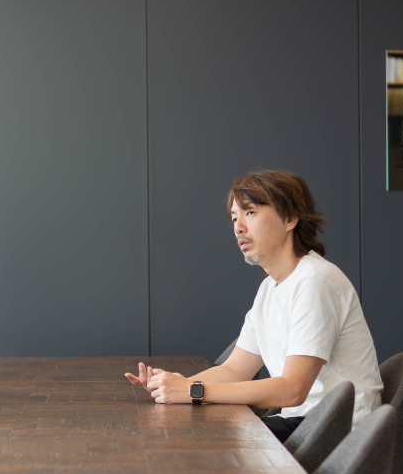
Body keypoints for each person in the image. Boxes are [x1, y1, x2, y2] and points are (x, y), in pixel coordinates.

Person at [125, 169, 383, 441]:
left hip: (339, 435)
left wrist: (192, 391)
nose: (238, 227)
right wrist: (173, 386)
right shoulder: (269, 289)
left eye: (250, 212)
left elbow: (293, 390)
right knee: (202, 434)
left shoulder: (315, 282)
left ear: (290, 218)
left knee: (207, 440)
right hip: (304, 424)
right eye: (234, 217)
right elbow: (235, 370)